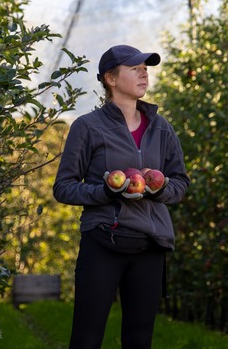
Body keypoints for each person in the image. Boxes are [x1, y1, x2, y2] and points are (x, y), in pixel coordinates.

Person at [53, 44, 190, 349]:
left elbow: (180, 181)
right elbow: (63, 187)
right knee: (87, 339)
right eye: (135, 67)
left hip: (150, 245)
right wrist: (105, 191)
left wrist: (160, 189)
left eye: (146, 68)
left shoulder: (161, 127)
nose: (144, 72)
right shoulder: (87, 127)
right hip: (104, 241)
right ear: (110, 79)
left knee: (139, 340)